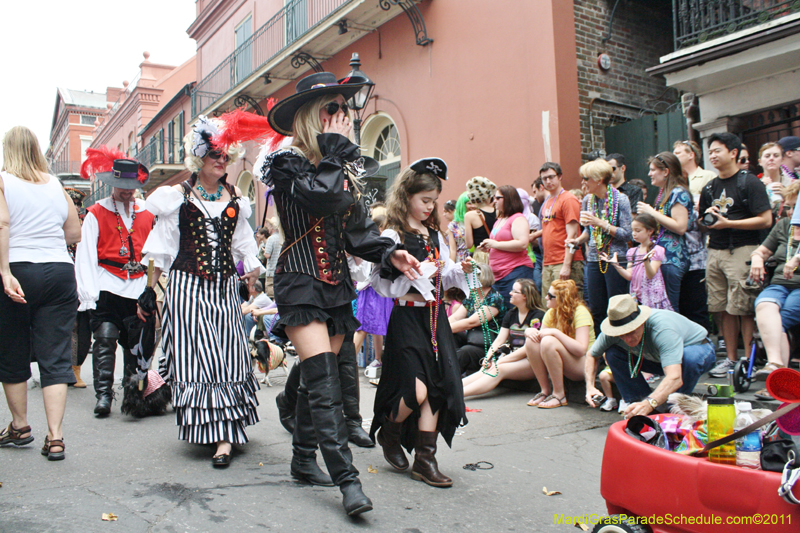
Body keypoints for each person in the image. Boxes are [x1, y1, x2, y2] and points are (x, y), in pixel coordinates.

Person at [259, 71, 420, 515]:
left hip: (335, 285)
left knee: (319, 382)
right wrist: (334, 151)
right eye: (333, 108)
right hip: (299, 281)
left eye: (345, 108)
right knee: (325, 384)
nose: (344, 116)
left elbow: (356, 233)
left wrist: (390, 254)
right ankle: (348, 481)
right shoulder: (286, 163)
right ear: (313, 116)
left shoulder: (340, 167)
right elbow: (322, 200)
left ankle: (302, 458)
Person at [141, 113, 265, 467]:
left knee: (229, 355)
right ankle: (215, 432)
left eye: (225, 155)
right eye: (214, 154)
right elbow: (161, 248)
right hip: (187, 287)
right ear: (199, 155)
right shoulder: (177, 197)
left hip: (224, 288)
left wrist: (252, 272)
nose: (221, 160)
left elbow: (243, 244)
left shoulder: (235, 198)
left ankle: (226, 432)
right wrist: (149, 290)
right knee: (200, 359)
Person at [369, 158, 471, 489]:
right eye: (424, 200)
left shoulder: (435, 234)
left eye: (433, 201)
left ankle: (425, 460)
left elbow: (447, 274)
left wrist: (458, 270)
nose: (429, 207)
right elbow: (377, 280)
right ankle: (390, 430)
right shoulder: (392, 233)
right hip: (407, 316)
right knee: (416, 389)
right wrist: (410, 274)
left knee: (437, 389)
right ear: (407, 196)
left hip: (436, 317)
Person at [0, 126, 81, 461]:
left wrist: (5, 271)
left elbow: (2, 224)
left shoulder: (3, 181)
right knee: (56, 353)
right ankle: (56, 436)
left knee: (12, 348)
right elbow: (74, 232)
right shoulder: (56, 185)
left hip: (19, 268)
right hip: (60, 271)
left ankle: (20, 425)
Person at [76, 147, 155, 417]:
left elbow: (157, 250)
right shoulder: (96, 213)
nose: (127, 192)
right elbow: (86, 255)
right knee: (105, 339)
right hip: (107, 285)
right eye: (123, 187)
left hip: (137, 288)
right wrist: (88, 295)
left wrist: (151, 287)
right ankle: (103, 395)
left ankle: (133, 396)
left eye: (132, 188)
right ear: (112, 184)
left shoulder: (147, 211)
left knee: (135, 345)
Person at [700, 132, 772, 378]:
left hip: (743, 249)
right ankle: (731, 360)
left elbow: (766, 219)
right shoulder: (710, 186)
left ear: (733, 153)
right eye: (710, 152)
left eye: (717, 150)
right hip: (715, 250)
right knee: (722, 308)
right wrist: (709, 218)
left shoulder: (749, 182)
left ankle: (748, 362)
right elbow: (702, 222)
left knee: (743, 306)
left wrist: (729, 223)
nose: (712, 156)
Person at [584, 295, 715, 418]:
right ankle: (638, 403)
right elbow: (591, 355)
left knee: (689, 358)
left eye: (631, 332)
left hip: (697, 350)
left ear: (641, 323)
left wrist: (651, 402)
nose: (627, 339)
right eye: (621, 334)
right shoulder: (612, 331)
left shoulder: (662, 329)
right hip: (656, 358)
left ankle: (673, 407)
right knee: (613, 353)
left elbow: (675, 377)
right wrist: (590, 387)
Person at [748, 183, 800, 400]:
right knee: (764, 305)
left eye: (795, 207)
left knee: (780, 319)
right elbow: (761, 250)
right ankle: (776, 365)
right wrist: (757, 258)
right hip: (779, 283)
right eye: (788, 207)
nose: (791, 212)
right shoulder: (785, 225)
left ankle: (779, 380)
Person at [569, 159, 631, 334]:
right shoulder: (588, 200)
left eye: (586, 178)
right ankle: (601, 345)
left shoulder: (620, 199)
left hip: (615, 258)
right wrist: (578, 240)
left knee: (616, 306)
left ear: (598, 180)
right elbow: (588, 231)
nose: (583, 183)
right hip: (594, 258)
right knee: (596, 307)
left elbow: (627, 234)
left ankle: (619, 344)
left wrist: (601, 223)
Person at [462, 279, 545, 397]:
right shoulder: (511, 314)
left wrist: (502, 360)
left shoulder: (538, 315)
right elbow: (499, 340)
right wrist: (488, 357)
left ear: (525, 296)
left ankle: (459, 395)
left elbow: (528, 347)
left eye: (515, 291)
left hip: (531, 361)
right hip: (511, 357)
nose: (510, 293)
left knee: (499, 368)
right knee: (485, 369)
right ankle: (452, 389)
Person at [524, 279, 594, 409]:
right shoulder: (551, 312)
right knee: (531, 341)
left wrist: (556, 333)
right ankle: (545, 390)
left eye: (550, 296)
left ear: (562, 299)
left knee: (549, 341)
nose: (546, 297)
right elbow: (538, 340)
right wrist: (529, 331)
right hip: (566, 360)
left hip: (583, 364)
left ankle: (559, 395)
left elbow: (581, 350)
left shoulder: (581, 312)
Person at [635, 152, 691, 312]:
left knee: (669, 308)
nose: (649, 174)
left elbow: (680, 227)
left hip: (672, 259)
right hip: (661, 258)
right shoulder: (664, 193)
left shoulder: (678, 193)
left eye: (653, 170)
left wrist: (651, 212)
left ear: (666, 172)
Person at [478, 186, 534, 309]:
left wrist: (494, 244)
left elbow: (522, 243)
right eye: (494, 198)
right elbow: (500, 243)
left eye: (498, 198)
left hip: (515, 272)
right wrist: (488, 246)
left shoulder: (518, 218)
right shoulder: (500, 220)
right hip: (498, 276)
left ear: (508, 199)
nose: (494, 201)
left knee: (514, 311)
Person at [604, 213, 672, 310]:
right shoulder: (632, 252)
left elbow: (650, 275)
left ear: (650, 231)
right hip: (636, 295)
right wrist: (616, 265)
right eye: (633, 230)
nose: (634, 234)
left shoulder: (657, 250)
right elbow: (629, 276)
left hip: (652, 295)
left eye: (638, 231)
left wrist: (646, 262)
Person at [449, 264, 506, 375]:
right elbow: (455, 317)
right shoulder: (472, 296)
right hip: (472, 338)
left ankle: (447, 377)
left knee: (465, 352)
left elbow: (471, 322)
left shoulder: (494, 298)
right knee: (451, 336)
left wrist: (441, 329)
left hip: (487, 344)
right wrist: (437, 327)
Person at [538, 162, 584, 299]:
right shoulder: (547, 201)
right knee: (549, 305)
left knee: (567, 303)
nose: (548, 181)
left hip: (565, 260)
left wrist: (567, 265)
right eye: (544, 178)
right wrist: (544, 265)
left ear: (560, 177)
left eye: (551, 177)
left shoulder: (568, 199)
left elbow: (572, 235)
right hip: (549, 262)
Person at [64, 187, 91, 388]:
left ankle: (75, 369)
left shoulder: (87, 222)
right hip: (60, 278)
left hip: (81, 280)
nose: (75, 208)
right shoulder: (55, 221)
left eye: (77, 205)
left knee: (80, 326)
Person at [464, 176, 497, 263]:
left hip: (481, 256)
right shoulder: (499, 212)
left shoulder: (469, 216)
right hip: (498, 253)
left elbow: (469, 244)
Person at [673, 140, 716, 204]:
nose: (674, 156)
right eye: (673, 153)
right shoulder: (673, 180)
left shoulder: (708, 176)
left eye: (678, 153)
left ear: (691, 155)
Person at [758, 142, 785, 209]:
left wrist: (787, 194)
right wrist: (759, 188)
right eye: (767, 156)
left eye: (776, 156)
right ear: (760, 162)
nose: (771, 158)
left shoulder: (792, 183)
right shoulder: (754, 184)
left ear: (782, 160)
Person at [261, 217, 283, 298]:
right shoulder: (282, 238)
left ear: (272, 227)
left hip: (271, 270)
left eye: (269, 226)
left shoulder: (271, 239)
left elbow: (267, 255)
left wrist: (264, 251)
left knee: (271, 295)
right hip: (281, 269)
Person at [448, 193, 470, 263]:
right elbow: (452, 249)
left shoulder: (479, 220)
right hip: (461, 260)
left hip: (478, 257)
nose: (473, 206)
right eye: (469, 203)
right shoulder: (453, 225)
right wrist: (451, 266)